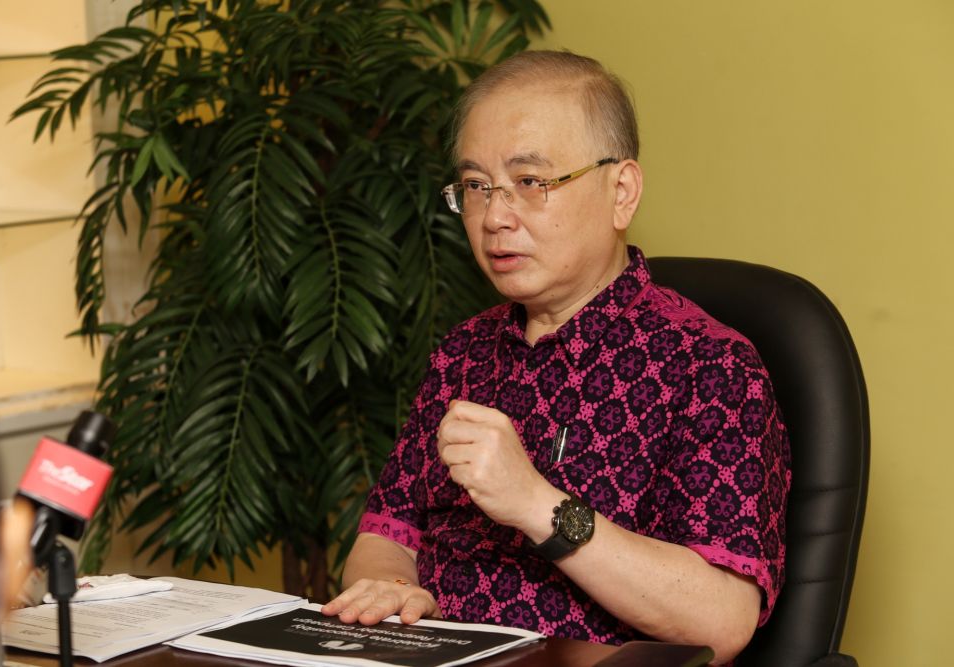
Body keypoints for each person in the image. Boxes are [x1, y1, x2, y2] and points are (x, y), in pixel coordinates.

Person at [321, 50, 790, 665]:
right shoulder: (462, 353)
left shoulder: (712, 367)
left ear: (622, 191)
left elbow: (723, 620)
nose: (495, 217)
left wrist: (534, 503)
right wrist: (396, 591)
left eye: (531, 183)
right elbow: (387, 534)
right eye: (476, 187)